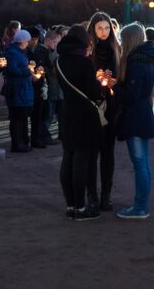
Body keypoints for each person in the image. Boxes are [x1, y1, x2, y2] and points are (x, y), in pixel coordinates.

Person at [56, 25, 105, 221]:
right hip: (85, 115)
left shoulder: (59, 61)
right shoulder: (84, 63)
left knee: (68, 159)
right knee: (81, 162)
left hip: (67, 113)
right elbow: (93, 93)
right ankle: (82, 207)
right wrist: (101, 85)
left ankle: (70, 206)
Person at [116, 23, 154, 219]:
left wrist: (113, 88)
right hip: (144, 112)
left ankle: (140, 206)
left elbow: (131, 95)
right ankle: (142, 204)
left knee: (139, 163)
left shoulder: (136, 62)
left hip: (135, 115)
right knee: (143, 163)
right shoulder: (147, 58)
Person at [88, 12, 121, 211]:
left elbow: (121, 77)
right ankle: (91, 193)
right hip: (92, 106)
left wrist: (114, 82)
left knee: (108, 153)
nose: (104, 32)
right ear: (93, 29)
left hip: (111, 106)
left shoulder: (116, 49)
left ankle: (106, 194)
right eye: (100, 28)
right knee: (92, 153)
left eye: (107, 28)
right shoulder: (88, 51)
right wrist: (96, 79)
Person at [4, 29, 37, 153]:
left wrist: (30, 66)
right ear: (22, 41)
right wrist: (27, 70)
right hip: (17, 88)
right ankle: (17, 143)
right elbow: (13, 70)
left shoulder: (21, 52)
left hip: (23, 88)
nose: (28, 43)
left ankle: (23, 141)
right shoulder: (12, 52)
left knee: (23, 116)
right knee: (17, 117)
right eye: (27, 41)